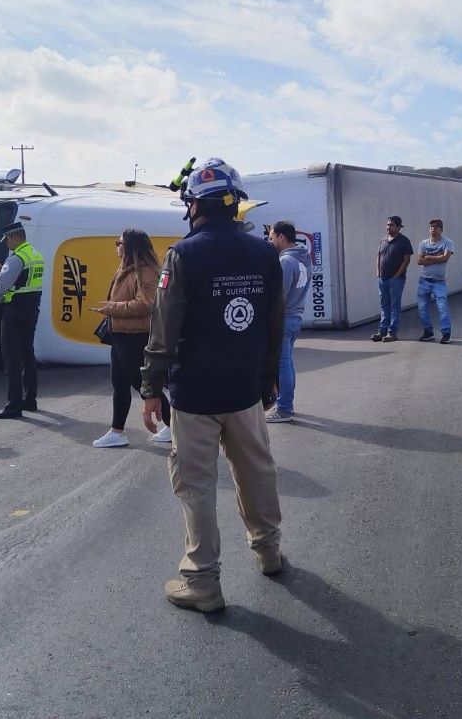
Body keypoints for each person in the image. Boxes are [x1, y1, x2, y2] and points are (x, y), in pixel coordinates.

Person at [140, 156, 285, 613]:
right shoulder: (264, 252)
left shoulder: (182, 255)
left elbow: (163, 328)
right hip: (245, 390)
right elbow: (272, 325)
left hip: (195, 395)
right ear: (234, 203)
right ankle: (268, 552)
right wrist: (268, 380)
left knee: (197, 484)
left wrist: (149, 387)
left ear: (193, 205)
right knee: (255, 471)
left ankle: (202, 580)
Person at [90, 228, 172, 448]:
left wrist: (113, 308)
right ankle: (117, 431)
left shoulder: (146, 272)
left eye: (119, 243)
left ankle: (173, 426)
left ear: (130, 247)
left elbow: (147, 304)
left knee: (143, 385)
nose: (116, 246)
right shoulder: (126, 269)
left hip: (135, 337)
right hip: (120, 335)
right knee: (119, 383)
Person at [0, 222, 43, 419]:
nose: (7, 244)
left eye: (7, 240)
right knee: (28, 354)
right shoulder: (34, 254)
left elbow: (0, 288)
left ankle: (13, 405)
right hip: (31, 310)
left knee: (12, 358)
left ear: (14, 237)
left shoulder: (16, 257)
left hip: (14, 313)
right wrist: (4, 269)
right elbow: (23, 279)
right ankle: (30, 400)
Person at [266, 220, 311, 423]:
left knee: (282, 363)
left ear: (281, 237)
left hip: (284, 319)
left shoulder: (285, 261)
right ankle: (287, 402)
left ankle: (284, 408)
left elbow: (278, 296)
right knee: (288, 362)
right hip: (296, 317)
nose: (270, 241)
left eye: (272, 237)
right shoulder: (303, 258)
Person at [372, 215, 413, 343]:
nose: (388, 227)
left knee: (394, 305)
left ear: (399, 227)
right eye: (388, 224)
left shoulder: (404, 241)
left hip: (396, 280)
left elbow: (407, 259)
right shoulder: (383, 240)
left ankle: (392, 332)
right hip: (382, 279)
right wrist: (378, 272)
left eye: (392, 225)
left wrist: (396, 275)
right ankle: (382, 331)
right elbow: (378, 256)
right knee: (384, 305)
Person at [416, 218, 455, 344]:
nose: (433, 229)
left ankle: (446, 334)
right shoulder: (423, 243)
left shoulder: (447, 243)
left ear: (441, 229)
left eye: (436, 227)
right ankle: (428, 332)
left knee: (442, 308)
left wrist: (427, 257)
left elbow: (445, 258)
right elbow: (419, 261)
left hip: (439, 282)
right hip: (424, 281)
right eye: (431, 227)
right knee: (422, 308)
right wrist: (436, 258)